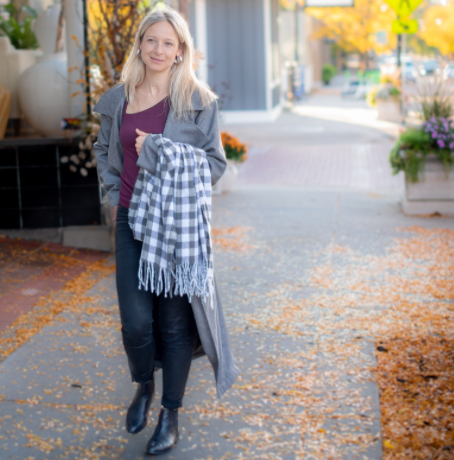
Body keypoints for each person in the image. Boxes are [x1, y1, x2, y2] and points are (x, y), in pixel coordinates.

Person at [93, 7, 239, 456]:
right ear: (140, 44)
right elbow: (103, 149)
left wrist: (160, 151)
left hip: (175, 227)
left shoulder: (198, 101)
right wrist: (111, 197)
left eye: (168, 43)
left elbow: (215, 164)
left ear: (180, 52)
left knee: (174, 327)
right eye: (151, 40)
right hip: (131, 221)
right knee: (136, 324)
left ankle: (170, 412)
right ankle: (143, 384)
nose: (158, 50)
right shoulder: (118, 99)